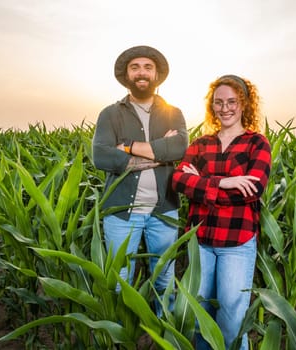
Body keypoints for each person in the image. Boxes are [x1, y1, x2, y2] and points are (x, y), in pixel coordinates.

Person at [172, 75, 271, 349]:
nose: (225, 108)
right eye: (219, 103)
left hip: (237, 242)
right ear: (212, 106)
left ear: (244, 104)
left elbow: (252, 190)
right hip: (201, 240)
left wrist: (202, 184)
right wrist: (225, 182)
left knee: (230, 316)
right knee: (200, 313)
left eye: (232, 102)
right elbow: (179, 180)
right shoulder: (201, 144)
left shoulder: (256, 144)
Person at [92, 45, 188, 316]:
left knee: (165, 280)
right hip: (122, 212)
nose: (141, 72)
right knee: (120, 281)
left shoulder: (173, 112)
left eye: (147, 67)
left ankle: (164, 334)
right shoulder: (110, 114)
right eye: (135, 67)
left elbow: (179, 148)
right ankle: (124, 334)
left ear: (156, 74)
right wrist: (158, 153)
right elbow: (101, 156)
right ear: (127, 75)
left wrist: (127, 147)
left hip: (164, 210)